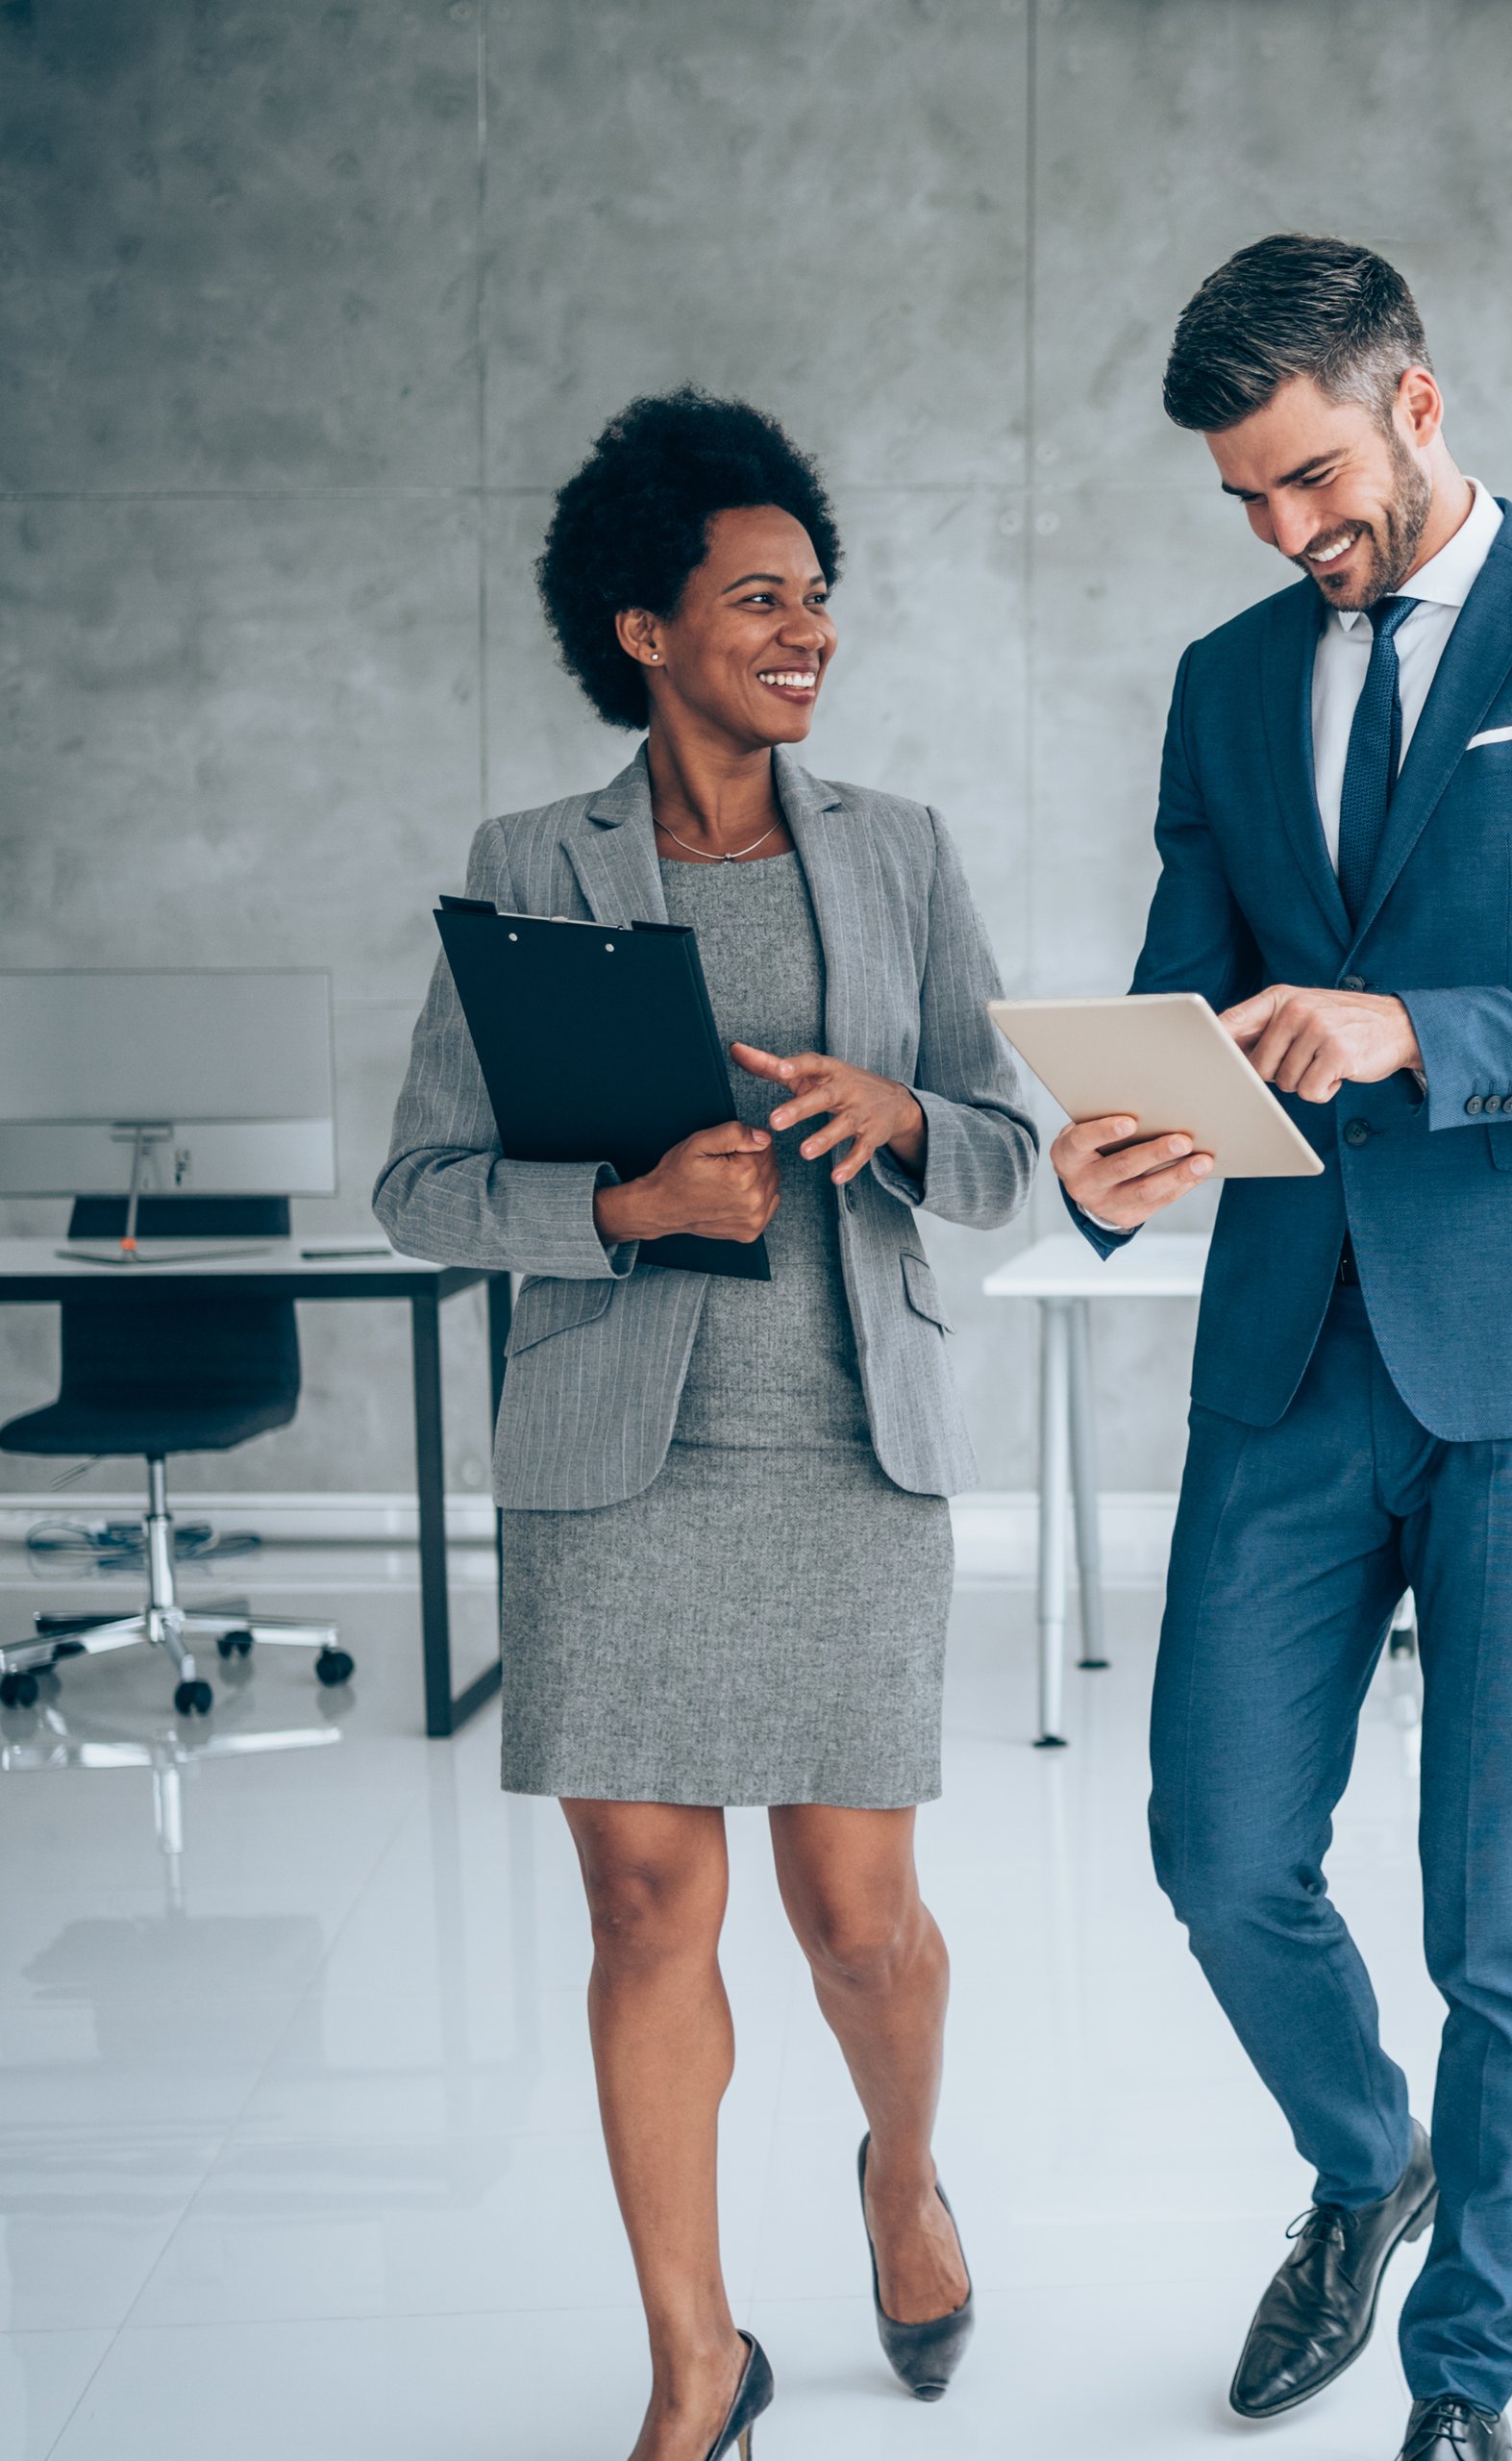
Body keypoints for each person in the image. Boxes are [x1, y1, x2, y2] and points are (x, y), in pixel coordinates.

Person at [1053, 236, 1512, 2461]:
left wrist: (1413, 1028)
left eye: (1313, 477)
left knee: (1498, 1899)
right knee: (1216, 1846)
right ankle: (1371, 2160)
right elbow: (1185, 993)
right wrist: (1115, 1147)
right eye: (1246, 497)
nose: (1288, 528)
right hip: (1288, 1347)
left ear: (1419, 404)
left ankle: (1467, 2377)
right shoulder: (1224, 680)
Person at [378, 392, 1036, 2461]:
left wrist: (902, 1113)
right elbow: (420, 1187)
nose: (806, 629)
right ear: (643, 626)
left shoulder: (900, 850)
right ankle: (694, 2362)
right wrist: (626, 1207)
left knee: (859, 1924)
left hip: (844, 1442)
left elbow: (1011, 1150)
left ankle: (902, 2178)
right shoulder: (529, 867)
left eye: (816, 595)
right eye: (759, 598)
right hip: (615, 1461)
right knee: (647, 1910)